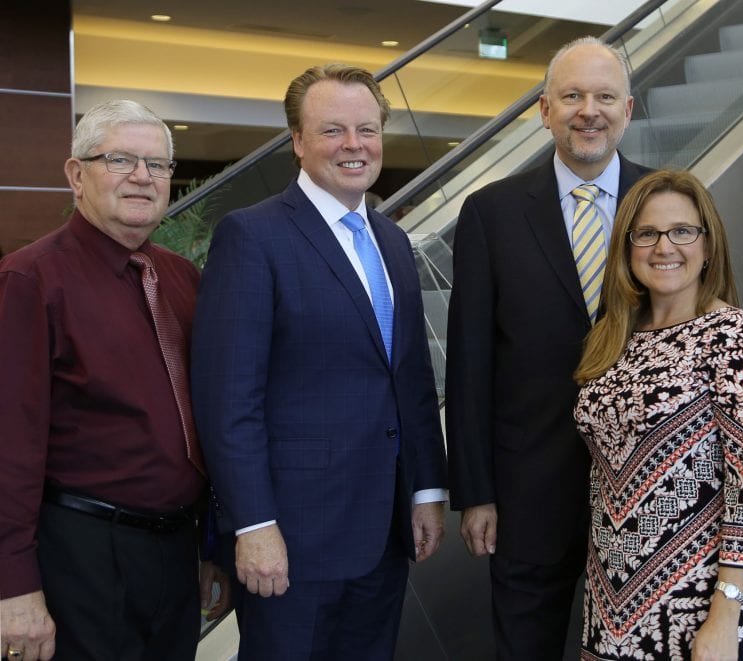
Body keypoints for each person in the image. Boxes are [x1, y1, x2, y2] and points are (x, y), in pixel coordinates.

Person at [190, 64, 447, 660]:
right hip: (291, 538)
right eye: (333, 130)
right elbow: (230, 400)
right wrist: (253, 526)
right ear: (298, 143)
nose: (354, 145)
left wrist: (425, 487)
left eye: (367, 129)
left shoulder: (391, 241)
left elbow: (407, 379)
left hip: (383, 532)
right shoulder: (252, 237)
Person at [0, 100, 229, 661]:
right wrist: (13, 586)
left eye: (157, 165)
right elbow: (10, 442)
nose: (142, 178)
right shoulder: (29, 279)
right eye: (120, 159)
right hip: (78, 555)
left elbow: (206, 423)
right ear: (77, 175)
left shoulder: (181, 278)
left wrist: (207, 546)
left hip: (173, 553)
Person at [446, 36, 649, 659]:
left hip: (645, 488)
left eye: (605, 96)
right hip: (526, 490)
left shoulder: (669, 202)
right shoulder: (491, 212)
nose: (589, 110)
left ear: (629, 109)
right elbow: (470, 363)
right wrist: (475, 490)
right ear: (543, 109)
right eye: (572, 96)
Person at [573, 170, 743, 660]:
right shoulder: (613, 338)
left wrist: (725, 612)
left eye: (682, 231)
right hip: (610, 602)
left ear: (708, 245)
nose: (664, 246)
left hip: (696, 609)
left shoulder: (736, 337)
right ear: (627, 246)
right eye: (647, 233)